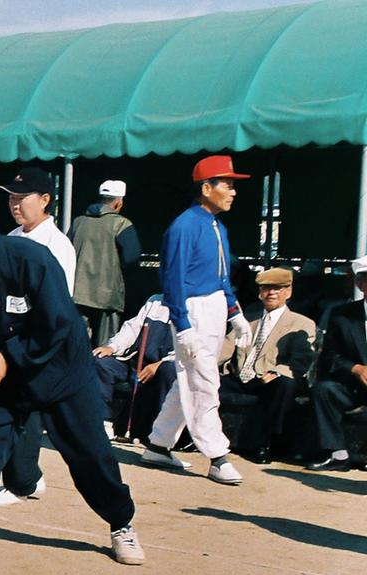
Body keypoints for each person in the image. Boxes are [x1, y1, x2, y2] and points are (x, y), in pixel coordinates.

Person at [0, 188, 145, 568]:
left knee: (90, 455)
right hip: (6, 381)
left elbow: (58, 324)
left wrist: (11, 355)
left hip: (62, 371)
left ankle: (121, 522)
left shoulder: (33, 260)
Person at [141, 155, 253, 485]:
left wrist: (236, 314)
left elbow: (221, 276)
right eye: (227, 184)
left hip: (215, 307)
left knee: (190, 377)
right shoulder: (183, 227)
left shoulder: (218, 227)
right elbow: (172, 279)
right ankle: (217, 455)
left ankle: (158, 444)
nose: (232, 191)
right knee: (204, 380)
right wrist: (183, 323)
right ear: (207, 188)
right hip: (194, 310)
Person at [0, 167, 77, 507]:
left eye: (21, 197)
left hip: (40, 339)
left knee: (28, 413)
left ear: (44, 200)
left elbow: (57, 304)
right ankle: (26, 476)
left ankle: (21, 481)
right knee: (11, 408)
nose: (14, 204)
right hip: (10, 335)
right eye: (10, 197)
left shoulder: (59, 245)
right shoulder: (11, 239)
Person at [217, 267, 316, 463]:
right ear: (260, 292)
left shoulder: (302, 323)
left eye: (277, 288)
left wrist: (277, 372)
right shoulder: (247, 318)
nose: (271, 293)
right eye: (266, 288)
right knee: (203, 381)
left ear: (288, 292)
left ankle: (265, 444)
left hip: (269, 379)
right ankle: (197, 437)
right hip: (240, 376)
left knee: (284, 385)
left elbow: (302, 360)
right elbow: (225, 348)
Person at [305, 258, 367, 471]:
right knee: (324, 390)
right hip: (354, 384)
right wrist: (355, 368)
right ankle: (338, 454)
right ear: (360, 284)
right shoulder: (343, 315)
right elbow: (330, 355)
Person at [93, 294, 177, 443]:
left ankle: (158, 440)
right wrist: (112, 347)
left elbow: (189, 349)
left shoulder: (195, 307)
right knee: (101, 363)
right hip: (135, 363)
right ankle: (102, 422)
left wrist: (159, 364)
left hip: (164, 366)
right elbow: (131, 330)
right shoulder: (155, 301)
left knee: (169, 370)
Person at [69, 180, 141, 346]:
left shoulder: (78, 222)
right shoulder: (121, 223)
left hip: (77, 294)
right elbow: (132, 257)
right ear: (118, 202)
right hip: (107, 297)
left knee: (78, 346)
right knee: (105, 348)